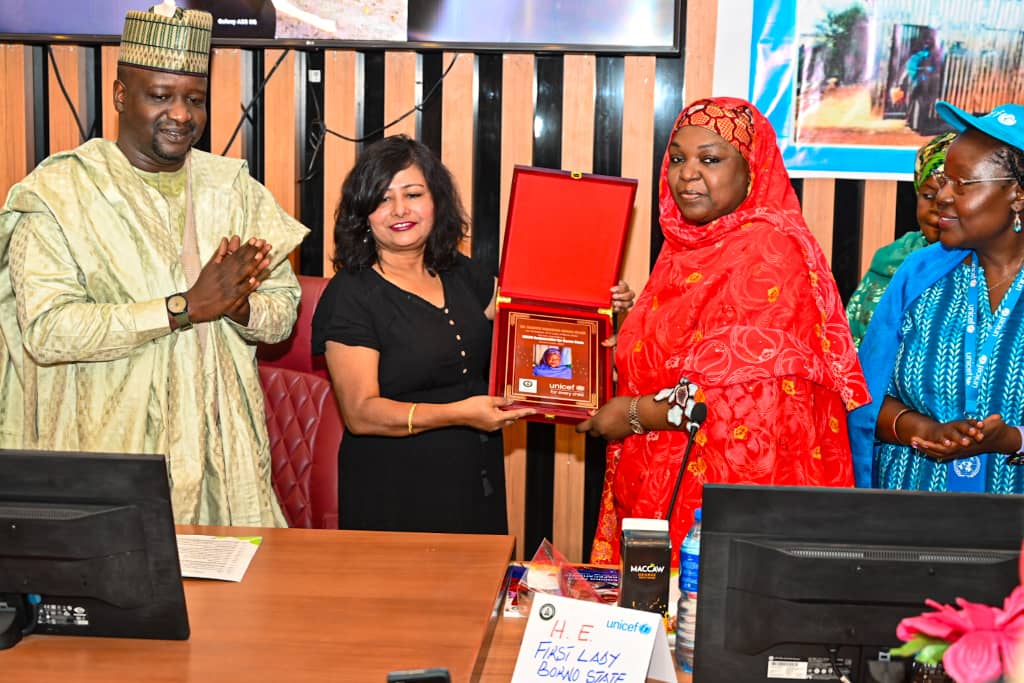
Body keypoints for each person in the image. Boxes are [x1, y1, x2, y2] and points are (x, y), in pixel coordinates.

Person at [0, 5, 308, 526]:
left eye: (194, 99)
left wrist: (237, 307)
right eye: (160, 96)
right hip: (107, 458)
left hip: (220, 465)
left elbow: (282, 314)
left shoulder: (235, 190)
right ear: (122, 96)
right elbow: (49, 332)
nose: (182, 114)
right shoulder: (59, 194)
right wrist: (186, 307)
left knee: (241, 605)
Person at [577, 97, 870, 563]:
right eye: (677, 159)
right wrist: (624, 330)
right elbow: (683, 355)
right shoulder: (686, 247)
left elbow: (734, 398)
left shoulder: (768, 249)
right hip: (660, 480)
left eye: (710, 159)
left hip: (721, 502)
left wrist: (631, 414)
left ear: (752, 170)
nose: (688, 173)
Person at [312, 135, 633, 534]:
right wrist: (461, 413)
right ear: (363, 215)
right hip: (394, 490)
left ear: (436, 201)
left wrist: (597, 304)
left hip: (472, 476)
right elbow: (361, 413)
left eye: (413, 194)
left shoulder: (463, 274)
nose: (399, 210)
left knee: (478, 592)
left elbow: (535, 320)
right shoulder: (350, 295)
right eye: (382, 199)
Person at [848, 101, 1024, 495]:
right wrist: (923, 429)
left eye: (960, 184)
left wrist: (1011, 439)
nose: (941, 196)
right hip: (910, 514)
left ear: (1017, 196)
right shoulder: (919, 274)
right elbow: (864, 397)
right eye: (943, 181)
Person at [846, 132, 955, 346]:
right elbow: (851, 343)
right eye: (929, 196)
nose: (937, 208)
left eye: (951, 198)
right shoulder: (892, 259)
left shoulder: (987, 267)